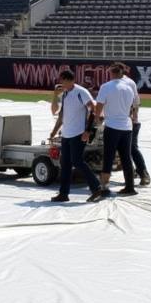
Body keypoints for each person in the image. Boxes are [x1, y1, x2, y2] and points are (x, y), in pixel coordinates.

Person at [48, 69, 102, 203]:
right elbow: (57, 112)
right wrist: (55, 130)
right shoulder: (65, 94)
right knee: (64, 163)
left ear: (69, 80)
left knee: (77, 161)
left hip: (78, 133)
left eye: (62, 80)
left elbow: (93, 110)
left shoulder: (81, 92)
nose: (60, 83)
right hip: (67, 134)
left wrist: (88, 131)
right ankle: (63, 193)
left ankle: (96, 187)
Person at [94, 62, 139, 198]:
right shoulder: (129, 87)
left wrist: (97, 118)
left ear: (111, 73)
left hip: (113, 126)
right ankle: (130, 186)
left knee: (108, 157)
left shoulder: (106, 87)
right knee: (126, 157)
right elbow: (133, 106)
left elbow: (99, 105)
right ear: (122, 73)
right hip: (126, 126)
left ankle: (104, 187)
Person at [117, 61, 151, 187]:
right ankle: (131, 172)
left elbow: (136, 101)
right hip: (119, 121)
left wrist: (134, 117)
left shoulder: (129, 83)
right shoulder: (114, 83)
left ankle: (143, 173)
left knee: (132, 148)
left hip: (129, 121)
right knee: (121, 149)